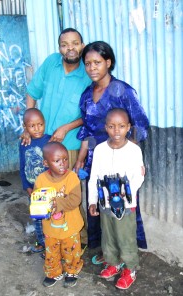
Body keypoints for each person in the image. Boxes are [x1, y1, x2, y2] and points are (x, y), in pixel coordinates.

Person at [74, 41, 149, 251]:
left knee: (122, 203)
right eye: (87, 64)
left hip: (120, 160)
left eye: (97, 62)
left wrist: (126, 152)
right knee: (97, 203)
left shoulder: (122, 91)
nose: (92, 68)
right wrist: (80, 159)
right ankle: (105, 251)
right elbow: (87, 131)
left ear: (108, 62)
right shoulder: (87, 95)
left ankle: (127, 251)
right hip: (95, 159)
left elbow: (140, 125)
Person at [24, 27, 91, 246]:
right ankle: (48, 240)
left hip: (67, 146)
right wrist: (27, 126)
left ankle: (76, 240)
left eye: (75, 43)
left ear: (81, 45)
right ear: (59, 47)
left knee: (69, 196)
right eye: (65, 44)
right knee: (43, 194)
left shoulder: (87, 74)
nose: (70, 48)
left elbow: (89, 115)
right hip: (43, 143)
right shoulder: (51, 63)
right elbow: (32, 94)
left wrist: (66, 127)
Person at [88, 108, 145, 289]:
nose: (116, 131)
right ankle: (113, 262)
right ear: (106, 128)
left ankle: (130, 268)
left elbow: (139, 176)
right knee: (109, 234)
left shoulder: (134, 150)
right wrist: (92, 200)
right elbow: (94, 177)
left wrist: (128, 192)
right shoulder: (99, 150)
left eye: (121, 126)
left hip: (126, 205)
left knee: (125, 236)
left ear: (128, 127)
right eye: (112, 126)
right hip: (105, 203)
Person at [34, 142, 83, 288]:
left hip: (71, 226)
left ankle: (72, 271)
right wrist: (39, 207)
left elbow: (75, 200)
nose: (63, 164)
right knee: (51, 252)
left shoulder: (72, 177)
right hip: (50, 228)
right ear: (45, 162)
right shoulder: (41, 180)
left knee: (72, 251)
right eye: (57, 161)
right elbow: (37, 201)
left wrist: (57, 204)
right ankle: (54, 272)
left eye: (65, 159)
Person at [19, 108, 51, 252]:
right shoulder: (24, 143)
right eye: (32, 126)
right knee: (37, 219)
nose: (37, 129)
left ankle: (51, 245)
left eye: (40, 124)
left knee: (50, 219)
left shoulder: (50, 141)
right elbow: (22, 166)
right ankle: (41, 243)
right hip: (32, 190)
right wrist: (27, 187)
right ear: (25, 127)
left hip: (48, 190)